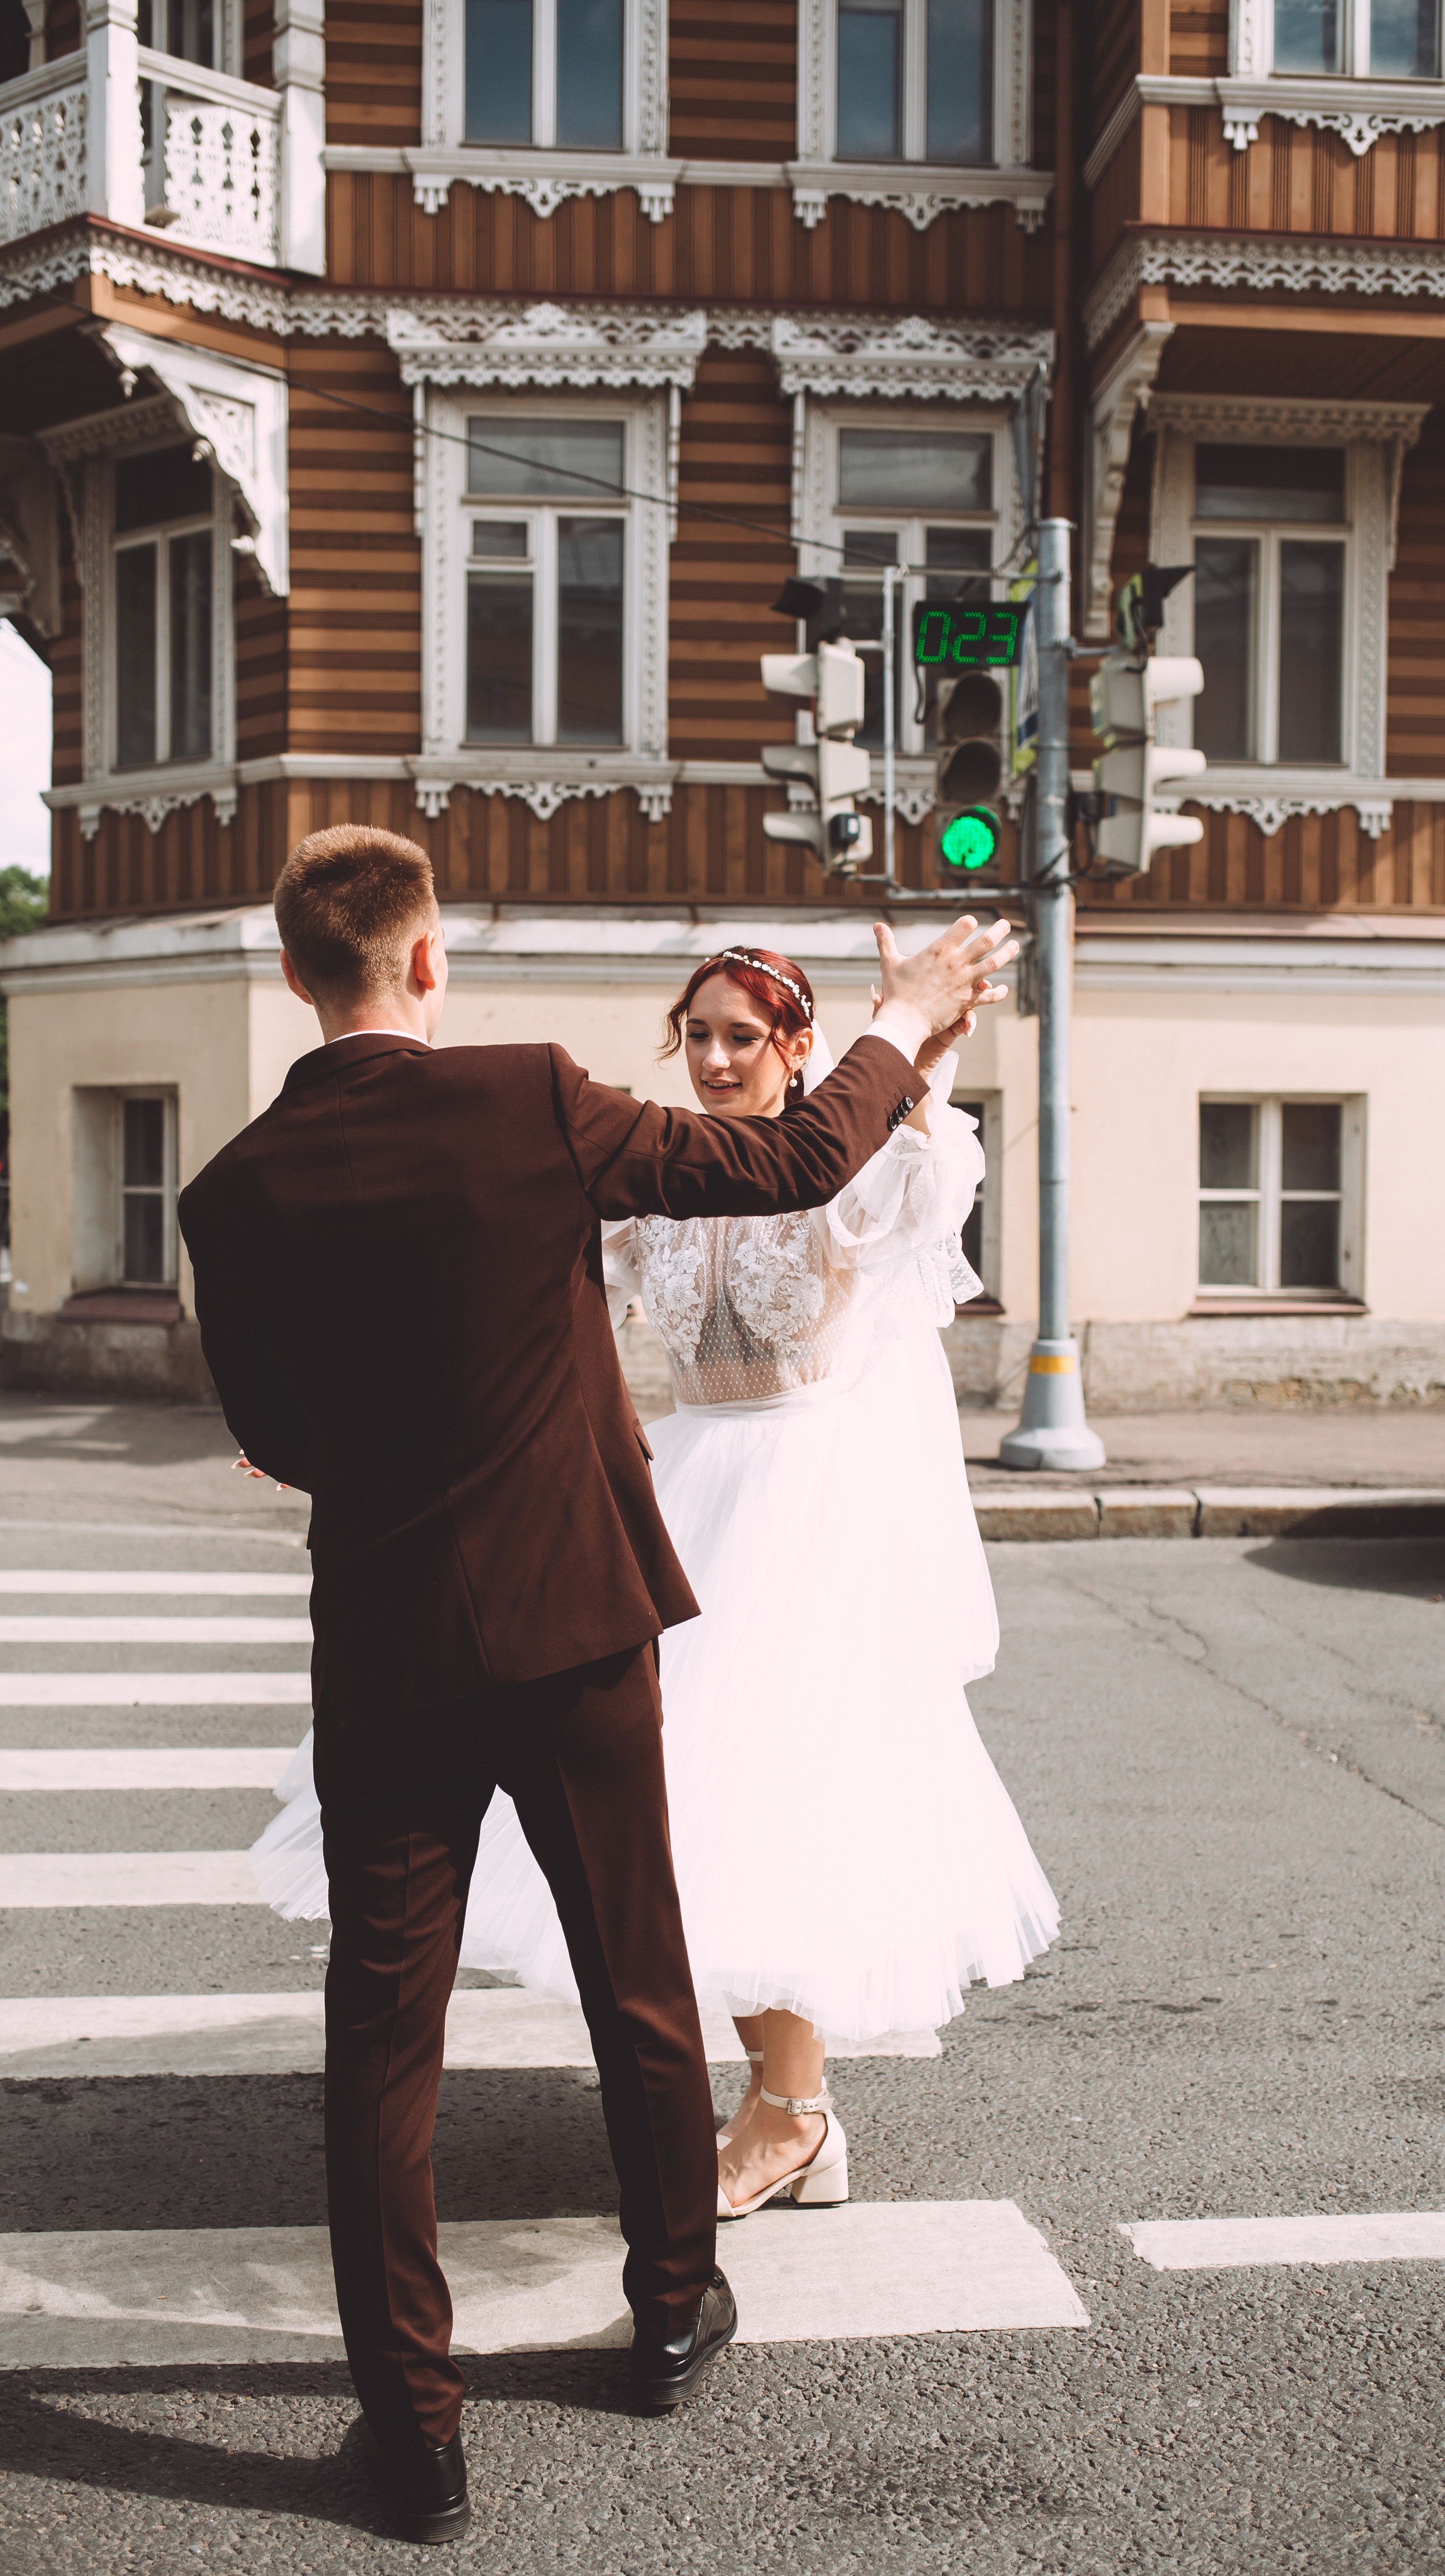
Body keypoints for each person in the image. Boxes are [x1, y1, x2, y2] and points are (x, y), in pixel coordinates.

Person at [179, 824, 1017, 2548]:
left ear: (290, 979)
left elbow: (272, 1435)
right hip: (573, 1622)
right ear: (427, 964)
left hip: (391, 1645)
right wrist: (908, 1011)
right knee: (641, 1985)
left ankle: (412, 2438)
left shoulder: (232, 1190)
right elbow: (789, 1161)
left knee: (378, 2038)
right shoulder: (529, 1100)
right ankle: (666, 2311)